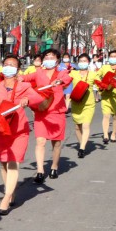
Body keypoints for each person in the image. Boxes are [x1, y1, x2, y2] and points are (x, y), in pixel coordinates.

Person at [0, 56, 44, 215]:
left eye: (12, 65)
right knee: (4, 163)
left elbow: (38, 98)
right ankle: (10, 191)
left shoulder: (24, 86)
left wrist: (27, 98)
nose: (8, 67)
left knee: (13, 162)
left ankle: (6, 198)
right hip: (1, 129)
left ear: (18, 69)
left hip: (19, 130)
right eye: (6, 65)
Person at [20, 49, 71, 181]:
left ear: (57, 60)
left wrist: (59, 82)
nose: (49, 59)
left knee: (56, 143)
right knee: (40, 141)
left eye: (52, 57)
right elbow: (25, 78)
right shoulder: (38, 73)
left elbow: (67, 78)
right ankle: (40, 171)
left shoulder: (62, 72)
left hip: (57, 111)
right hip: (42, 111)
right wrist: (18, 77)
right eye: (46, 57)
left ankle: (54, 167)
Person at [69, 54, 97, 157]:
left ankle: (82, 148)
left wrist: (103, 86)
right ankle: (82, 144)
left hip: (88, 104)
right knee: (77, 127)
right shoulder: (73, 73)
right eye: (81, 60)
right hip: (76, 103)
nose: (82, 63)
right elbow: (64, 80)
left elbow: (99, 83)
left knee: (86, 125)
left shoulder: (93, 74)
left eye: (85, 61)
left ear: (88, 62)